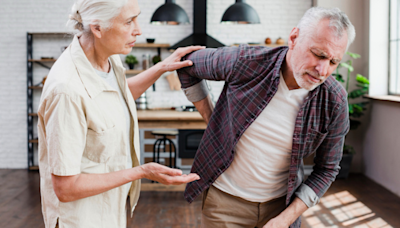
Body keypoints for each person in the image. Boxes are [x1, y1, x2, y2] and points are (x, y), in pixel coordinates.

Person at [177, 7, 355, 228]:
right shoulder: (247, 61)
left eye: (333, 62)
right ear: (294, 38)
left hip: (280, 208)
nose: (322, 69)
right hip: (224, 204)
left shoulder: (334, 100)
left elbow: (327, 169)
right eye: (318, 54)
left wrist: (285, 219)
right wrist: (212, 119)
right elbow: (186, 64)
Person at [37, 0, 204, 227]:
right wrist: (142, 171)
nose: (138, 30)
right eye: (128, 21)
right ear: (97, 28)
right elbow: (66, 188)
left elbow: (117, 94)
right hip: (80, 219)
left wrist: (162, 67)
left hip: (109, 211)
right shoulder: (66, 90)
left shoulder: (107, 58)